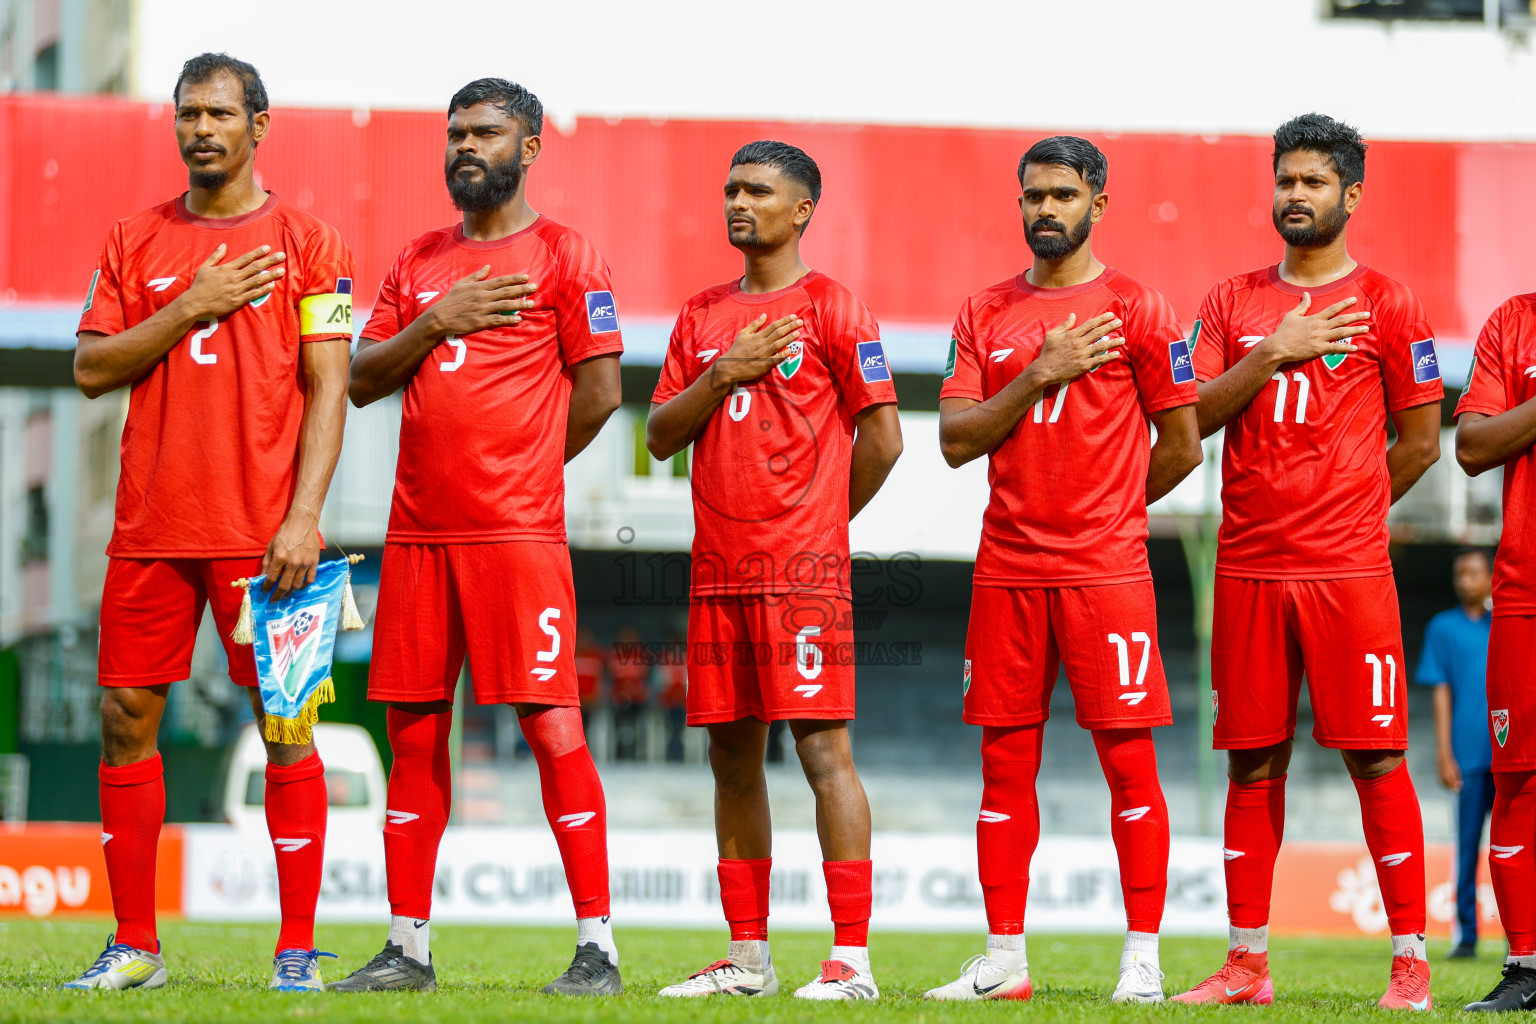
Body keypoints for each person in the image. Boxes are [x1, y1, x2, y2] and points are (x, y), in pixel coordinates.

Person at [63, 52, 352, 993]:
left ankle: (297, 951)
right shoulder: (133, 238)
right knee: (124, 718)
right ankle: (134, 945)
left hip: (264, 536)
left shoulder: (312, 243)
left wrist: (304, 516)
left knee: (287, 726)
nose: (201, 129)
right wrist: (191, 306)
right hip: (149, 527)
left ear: (259, 126)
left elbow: (330, 388)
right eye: (188, 113)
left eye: (220, 114)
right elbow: (92, 369)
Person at [333, 78, 623, 996]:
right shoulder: (418, 260)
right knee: (413, 733)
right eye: (456, 132)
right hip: (418, 534)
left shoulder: (566, 254)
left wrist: (528, 469)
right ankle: (407, 949)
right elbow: (361, 378)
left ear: (528, 148)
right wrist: (436, 321)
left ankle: (598, 949)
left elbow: (602, 392)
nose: (466, 146)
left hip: (516, 536)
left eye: (486, 133)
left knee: (551, 724)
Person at [1174, 113, 1443, 1011]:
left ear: (1350, 195)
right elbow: (1190, 417)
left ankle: (1410, 964)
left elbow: (1421, 441)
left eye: (1313, 181)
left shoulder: (1392, 303)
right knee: (1252, 763)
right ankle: (1245, 965)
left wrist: (1349, 514)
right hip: (1249, 565)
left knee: (1376, 758)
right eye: (1285, 179)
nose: (1295, 194)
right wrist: (1271, 354)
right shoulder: (1230, 302)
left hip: (1348, 572)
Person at [924, 136, 1201, 1004]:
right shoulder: (984, 311)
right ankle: (1004, 960)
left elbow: (1183, 444)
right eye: (1034, 195)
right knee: (1004, 766)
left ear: (1098, 204)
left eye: (1064, 195)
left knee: (1129, 763)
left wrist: (1109, 511)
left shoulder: (1140, 308)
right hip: (1007, 570)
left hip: (1106, 574)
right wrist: (1039, 375)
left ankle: (1143, 961)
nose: (1047, 209)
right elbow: (955, 441)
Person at [647, 140, 903, 1000]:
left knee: (823, 752)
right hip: (717, 577)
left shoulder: (835, 308)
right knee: (730, 759)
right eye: (731, 188)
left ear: (801, 210)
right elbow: (659, 435)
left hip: (801, 578)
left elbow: (884, 440)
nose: (738, 202)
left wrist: (817, 528)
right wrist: (724, 373)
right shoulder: (699, 315)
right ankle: (748, 960)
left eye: (757, 190)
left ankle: (852, 961)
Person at [1454, 290, 1536, 1011]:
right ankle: (1526, 967)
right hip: (1525, 595)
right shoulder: (1515, 321)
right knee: (1519, 783)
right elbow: (1473, 448)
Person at [1415, 547, 1494, 959]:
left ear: (1492, 577)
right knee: (1467, 848)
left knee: (1517, 851)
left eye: (1473, 573)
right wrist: (1445, 754)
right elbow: (1441, 692)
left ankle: (1522, 938)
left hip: (1510, 754)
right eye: (1460, 573)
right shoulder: (1443, 627)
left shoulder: (1509, 624)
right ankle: (1466, 937)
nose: (1465, 580)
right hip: (1468, 756)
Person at [607, 626, 652, 760]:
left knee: (640, 727)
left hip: (638, 698)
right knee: (619, 727)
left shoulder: (642, 654)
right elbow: (611, 676)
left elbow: (646, 676)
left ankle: (639, 754)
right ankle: (619, 755)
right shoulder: (615, 654)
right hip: (620, 697)